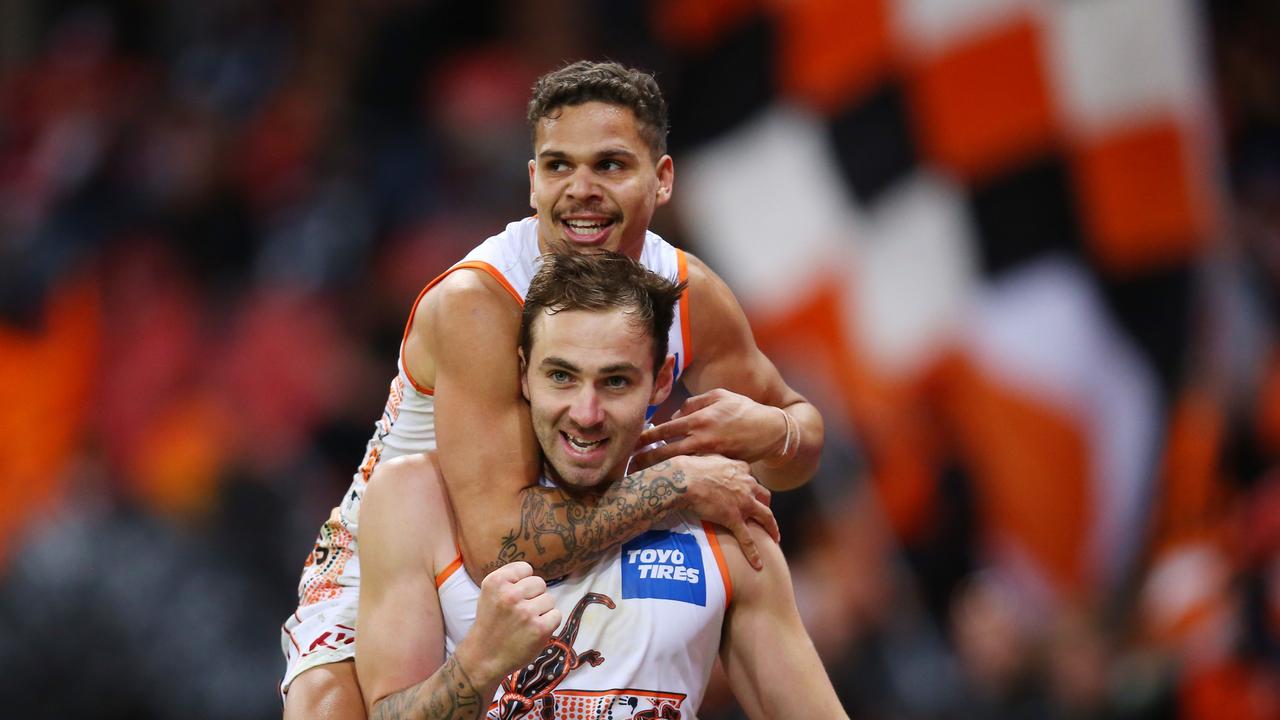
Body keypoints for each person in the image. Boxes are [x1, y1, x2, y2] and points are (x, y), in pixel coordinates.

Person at [281, 61, 824, 718]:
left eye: (611, 165)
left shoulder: (688, 293)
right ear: (533, 181)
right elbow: (497, 544)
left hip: (581, 519)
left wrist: (776, 433)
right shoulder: (479, 305)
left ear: (663, 179)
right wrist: (676, 482)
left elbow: (796, 441)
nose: (582, 190)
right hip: (415, 548)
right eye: (560, 166)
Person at [357, 251, 847, 719]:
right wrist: (478, 663)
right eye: (562, 377)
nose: (585, 414)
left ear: (660, 382)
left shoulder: (722, 519)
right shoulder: (416, 501)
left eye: (615, 382)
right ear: (525, 374)